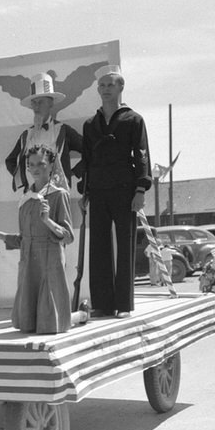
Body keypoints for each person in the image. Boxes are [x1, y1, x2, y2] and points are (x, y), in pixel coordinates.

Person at [75, 64, 152, 319]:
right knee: (98, 246)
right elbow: (87, 159)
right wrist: (85, 192)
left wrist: (140, 189)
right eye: (102, 85)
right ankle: (103, 304)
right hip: (97, 189)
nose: (106, 89)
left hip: (124, 189)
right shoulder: (91, 124)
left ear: (121, 87)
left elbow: (142, 155)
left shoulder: (133, 120)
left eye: (110, 85)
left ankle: (124, 305)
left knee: (125, 245)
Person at [0, 144, 89, 334]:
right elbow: (23, 240)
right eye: (31, 165)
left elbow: (68, 237)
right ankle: (80, 315)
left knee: (50, 325)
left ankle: (82, 315)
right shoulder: (26, 199)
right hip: (29, 265)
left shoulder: (59, 195)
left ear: (50, 166)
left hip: (50, 262)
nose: (35, 169)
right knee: (28, 325)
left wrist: (48, 221)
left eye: (41, 164)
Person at [5, 72, 83, 193]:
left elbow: (90, 151)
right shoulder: (26, 135)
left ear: (50, 103)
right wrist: (24, 179)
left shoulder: (63, 130)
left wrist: (72, 172)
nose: (37, 107)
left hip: (58, 194)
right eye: (34, 103)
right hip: (32, 195)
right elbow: (10, 161)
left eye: (41, 102)